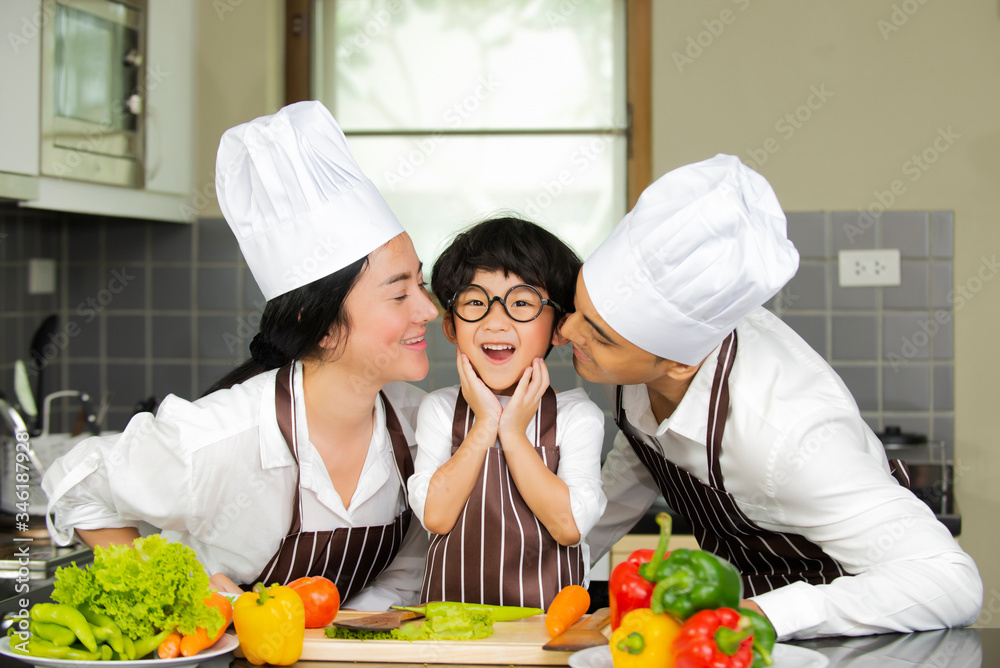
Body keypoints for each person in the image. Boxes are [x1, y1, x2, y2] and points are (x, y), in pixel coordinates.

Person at [561, 154, 983, 639]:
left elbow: (951, 580)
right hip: (736, 637)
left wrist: (762, 616)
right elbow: (638, 460)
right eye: (577, 308)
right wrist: (543, 574)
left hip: (850, 645)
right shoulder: (653, 362)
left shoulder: (788, 436)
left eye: (600, 335)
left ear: (679, 362)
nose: (567, 331)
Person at [42, 101, 439, 610]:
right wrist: (181, 587)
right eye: (399, 293)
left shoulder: (415, 424)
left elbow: (406, 570)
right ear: (315, 322)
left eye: (421, 284)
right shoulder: (225, 438)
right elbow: (75, 482)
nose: (427, 309)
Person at [407, 217, 606, 608]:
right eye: (476, 303)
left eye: (521, 303)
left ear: (558, 329)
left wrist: (513, 434)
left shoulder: (576, 416)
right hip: (450, 635)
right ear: (450, 325)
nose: (495, 322)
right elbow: (437, 516)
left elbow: (568, 526)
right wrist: (484, 425)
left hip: (546, 636)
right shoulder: (440, 410)